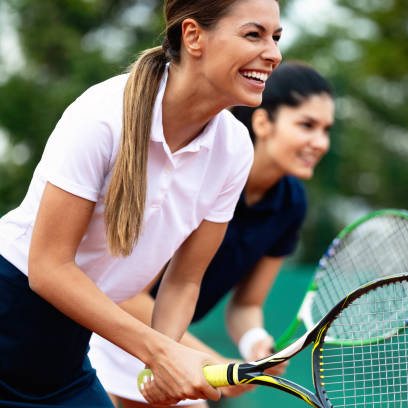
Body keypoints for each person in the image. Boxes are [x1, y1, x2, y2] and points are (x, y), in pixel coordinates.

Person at [0, 0, 282, 406]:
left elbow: (184, 279)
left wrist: (158, 366)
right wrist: (160, 352)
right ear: (193, 36)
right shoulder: (101, 115)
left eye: (275, 37)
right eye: (253, 34)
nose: (273, 53)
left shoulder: (235, 150)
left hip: (67, 354)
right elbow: (48, 268)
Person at [88, 61, 335, 408]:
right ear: (263, 122)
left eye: (326, 129)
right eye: (307, 125)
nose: (320, 142)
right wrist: (209, 360)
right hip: (111, 331)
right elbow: (129, 297)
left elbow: (246, 304)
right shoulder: (205, 173)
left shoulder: (291, 203)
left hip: (170, 346)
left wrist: (254, 344)